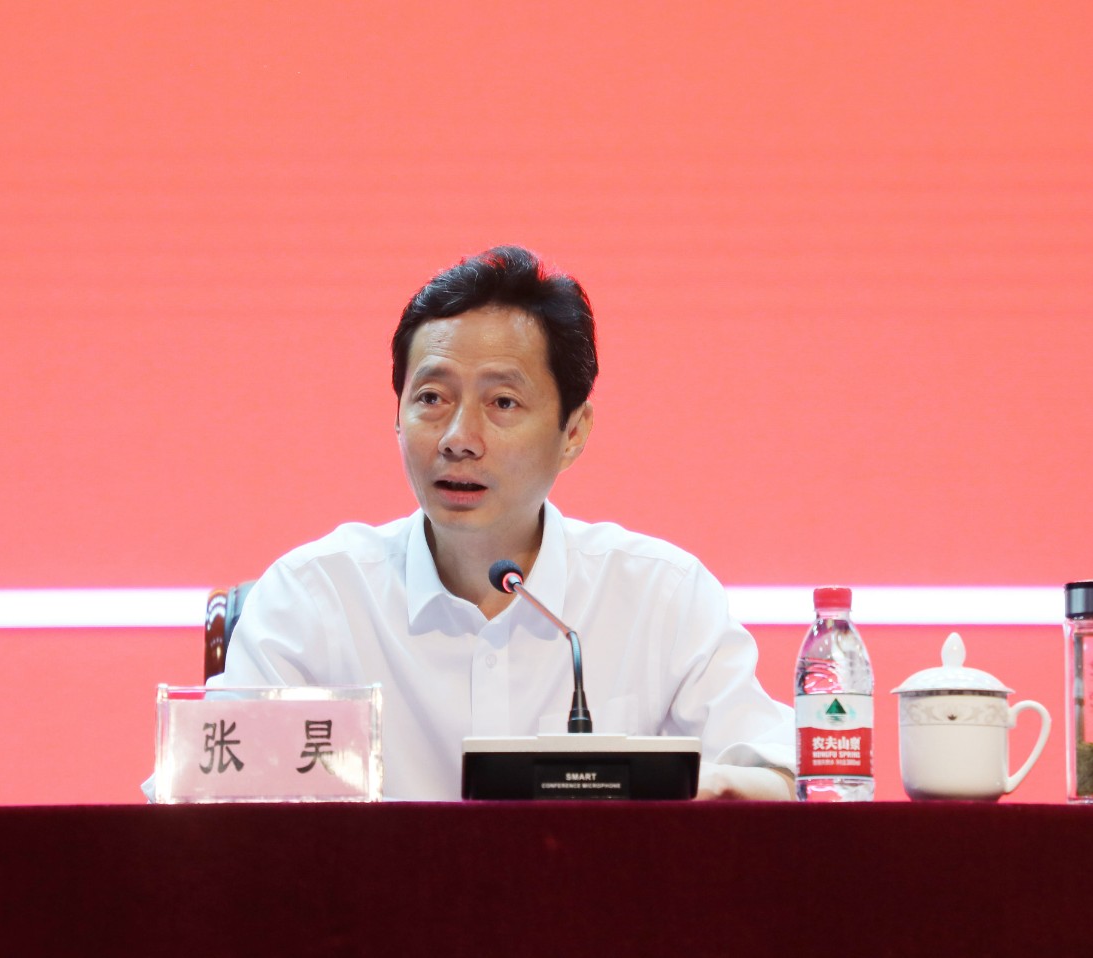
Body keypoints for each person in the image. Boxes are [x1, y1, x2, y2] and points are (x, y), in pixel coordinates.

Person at [218, 245, 794, 800]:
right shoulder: (315, 599)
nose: (458, 439)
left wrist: (664, 787)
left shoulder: (660, 597)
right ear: (397, 415)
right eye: (432, 397)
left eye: (503, 403)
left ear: (574, 432)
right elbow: (210, 791)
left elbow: (785, 777)